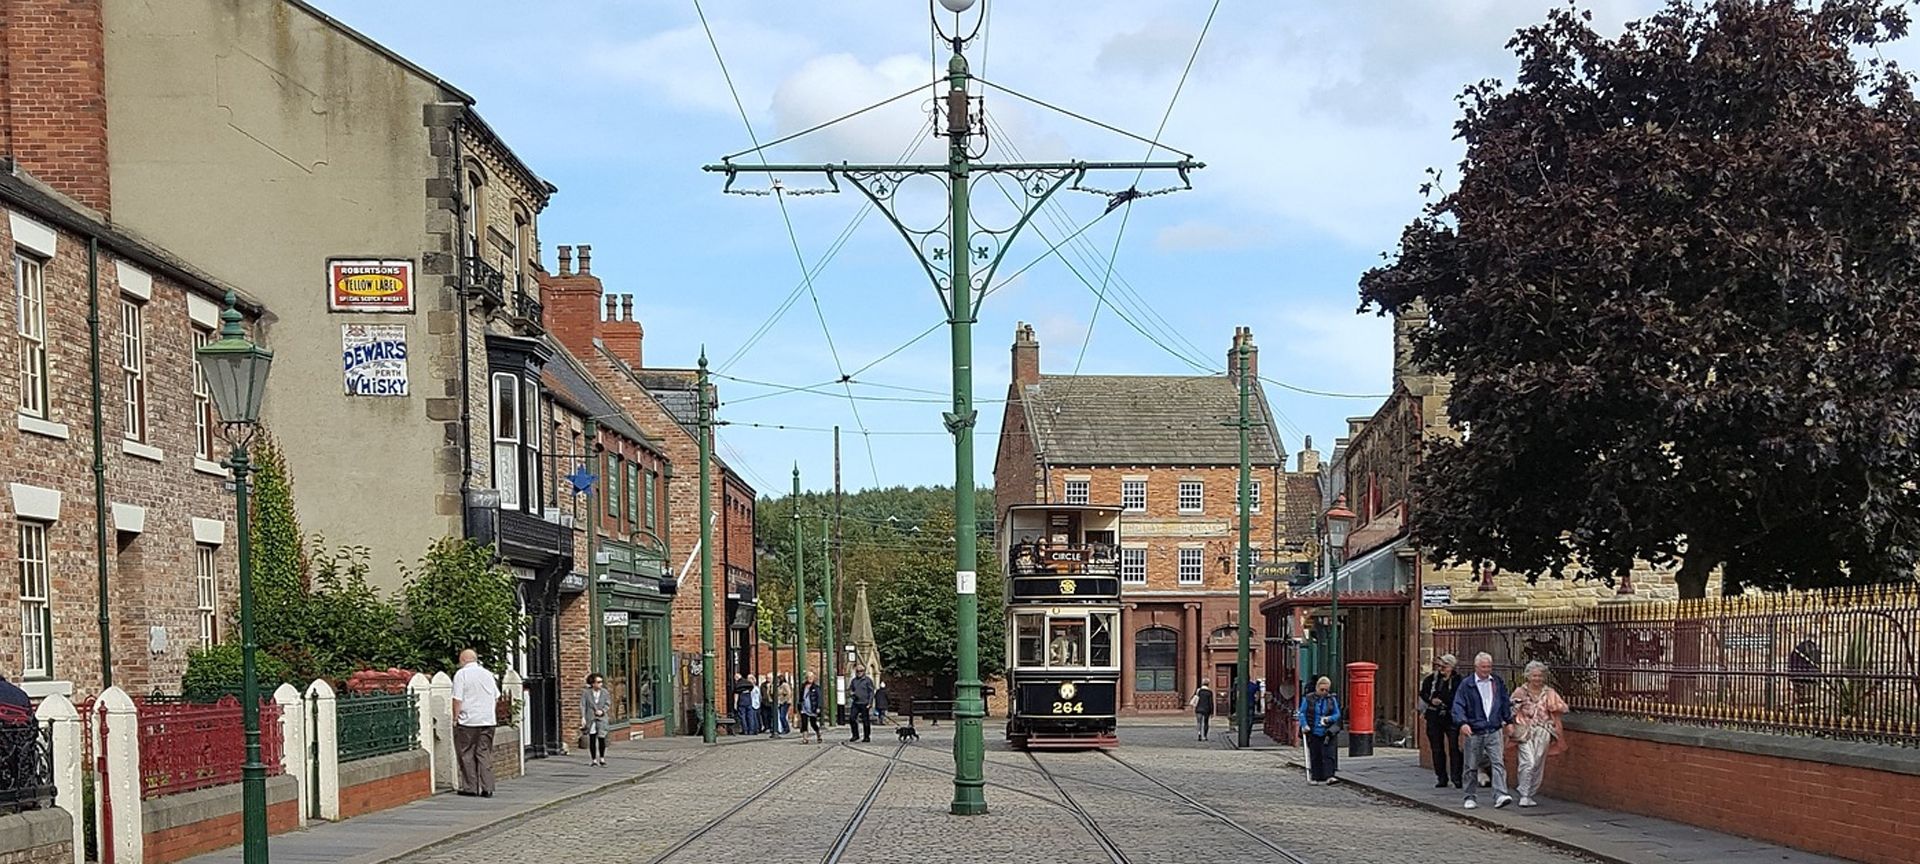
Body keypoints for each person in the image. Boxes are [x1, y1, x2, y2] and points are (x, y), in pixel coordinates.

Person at [1451, 652, 1515, 810]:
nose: (1487, 670)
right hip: (1474, 730)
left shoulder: (1497, 682)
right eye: (1483, 667)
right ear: (1476, 667)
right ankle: (1470, 795)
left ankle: (1500, 794)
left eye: (1489, 667)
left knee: (1498, 762)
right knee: (1471, 765)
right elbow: (1458, 706)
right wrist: (1462, 723)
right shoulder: (1467, 685)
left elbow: (1504, 702)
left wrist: (1509, 721)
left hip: (1494, 729)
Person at [1511, 660, 1570, 808]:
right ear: (1528, 676)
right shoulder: (1520, 691)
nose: (1537, 679)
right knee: (1528, 762)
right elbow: (1509, 710)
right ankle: (1524, 793)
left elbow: (1564, 708)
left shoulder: (1549, 692)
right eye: (1534, 676)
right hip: (1525, 731)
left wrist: (1554, 706)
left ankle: (1530, 793)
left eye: (1540, 676)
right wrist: (1516, 706)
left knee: (1537, 763)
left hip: (1543, 731)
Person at [450, 649, 500, 797]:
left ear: (463, 660)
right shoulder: (487, 674)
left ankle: (470, 787)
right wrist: (489, 711)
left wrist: (455, 717)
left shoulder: (461, 674)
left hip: (468, 721)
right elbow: (496, 696)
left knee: (466, 753)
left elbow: (457, 699)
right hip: (488, 720)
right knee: (484, 753)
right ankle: (488, 788)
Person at [1420, 654, 1465, 788]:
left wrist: (1445, 701)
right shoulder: (1432, 679)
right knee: (1437, 748)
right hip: (1434, 716)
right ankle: (1441, 777)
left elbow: (1459, 697)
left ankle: (1457, 777)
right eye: (1439, 666)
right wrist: (1431, 700)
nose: (1441, 669)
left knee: (1454, 747)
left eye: (1444, 666)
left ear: (1451, 667)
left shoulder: (1458, 680)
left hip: (1451, 717)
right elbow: (1423, 693)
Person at [1297, 676, 1343, 784]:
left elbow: (1337, 713)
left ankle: (1330, 776)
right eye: (1322, 689)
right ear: (1317, 688)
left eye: (1326, 690)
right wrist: (1304, 725)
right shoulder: (1308, 698)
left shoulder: (1331, 699)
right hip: (1313, 730)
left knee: (1329, 754)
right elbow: (1302, 712)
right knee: (1315, 754)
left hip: (1328, 731)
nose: (1324, 692)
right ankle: (1316, 776)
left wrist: (1329, 719)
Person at [580, 673, 611, 766]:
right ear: (592, 683)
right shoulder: (586, 693)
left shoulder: (605, 692)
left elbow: (608, 703)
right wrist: (583, 717)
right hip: (591, 717)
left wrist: (602, 711)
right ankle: (593, 759)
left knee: (602, 737)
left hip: (602, 717)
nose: (600, 684)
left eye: (601, 682)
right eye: (598, 682)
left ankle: (602, 758)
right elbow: (583, 705)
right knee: (592, 738)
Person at [1788, 634, 1822, 710]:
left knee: (1808, 696)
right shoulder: (1800, 650)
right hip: (1800, 674)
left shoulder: (1812, 649)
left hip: (1806, 675)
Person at [847, 665, 875, 742]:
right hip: (856, 702)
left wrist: (870, 703)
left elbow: (871, 692)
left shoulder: (867, 680)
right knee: (852, 718)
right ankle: (855, 735)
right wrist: (851, 694)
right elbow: (850, 690)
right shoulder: (854, 681)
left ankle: (866, 736)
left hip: (865, 703)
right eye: (857, 671)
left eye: (861, 671)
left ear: (864, 671)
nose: (859, 672)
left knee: (865, 720)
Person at [796, 671, 824, 744]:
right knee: (804, 723)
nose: (810, 679)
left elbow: (819, 698)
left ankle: (818, 734)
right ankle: (805, 738)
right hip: (804, 708)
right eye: (808, 677)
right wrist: (799, 706)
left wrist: (818, 707)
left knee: (813, 723)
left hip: (812, 708)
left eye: (811, 677)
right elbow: (800, 697)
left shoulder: (816, 687)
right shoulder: (803, 687)